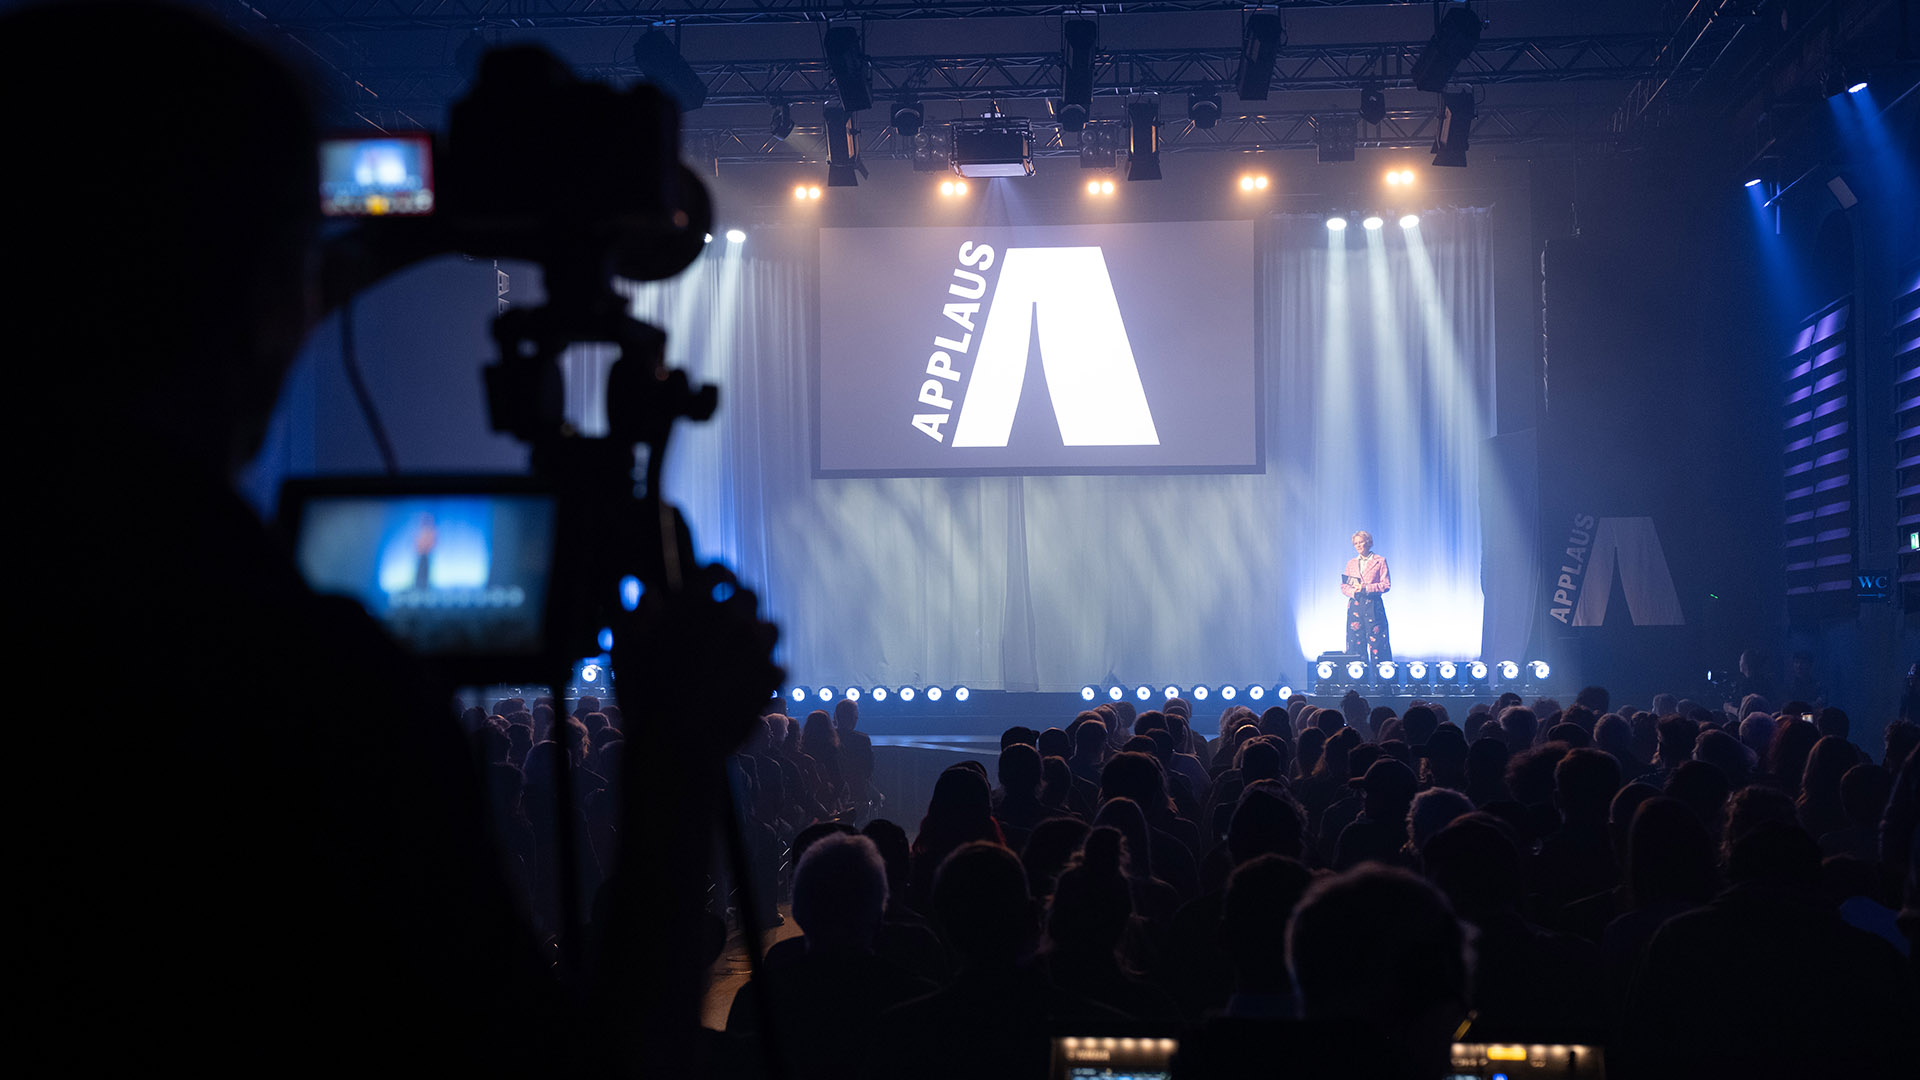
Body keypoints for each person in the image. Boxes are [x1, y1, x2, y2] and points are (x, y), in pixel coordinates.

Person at [1341, 530, 1393, 662]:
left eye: (1361, 542)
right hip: (1356, 606)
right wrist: (1354, 592)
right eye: (1355, 543)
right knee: (1355, 643)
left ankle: (1382, 680)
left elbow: (1386, 585)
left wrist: (1365, 588)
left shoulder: (1380, 561)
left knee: (1378, 644)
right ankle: (1358, 680)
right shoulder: (1351, 563)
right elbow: (1344, 586)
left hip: (1373, 606)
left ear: (1368, 543)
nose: (1358, 545)